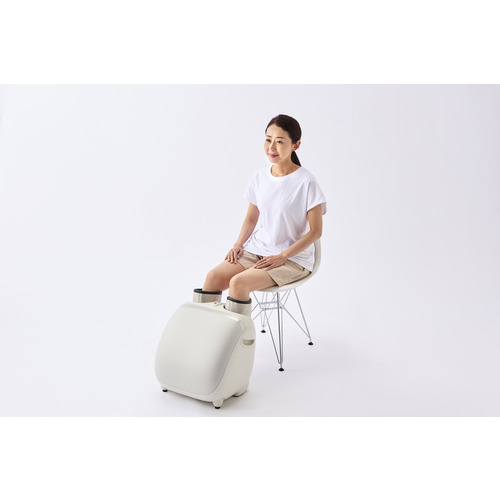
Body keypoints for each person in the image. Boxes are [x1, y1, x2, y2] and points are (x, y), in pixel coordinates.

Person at [193, 114, 327, 316]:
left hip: (292, 258)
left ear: (296, 145)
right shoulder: (259, 177)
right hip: (258, 249)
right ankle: (205, 334)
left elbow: (316, 232)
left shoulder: (306, 182)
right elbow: (251, 219)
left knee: (238, 283)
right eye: (268, 139)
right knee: (213, 277)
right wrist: (238, 244)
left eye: (279, 141)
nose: (271, 147)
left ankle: (239, 336)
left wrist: (282, 256)